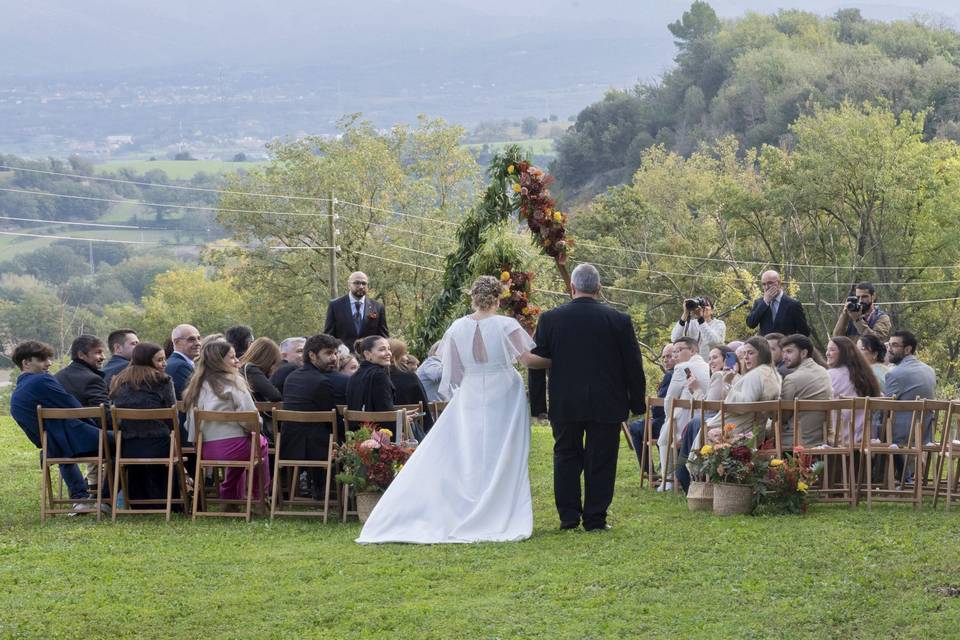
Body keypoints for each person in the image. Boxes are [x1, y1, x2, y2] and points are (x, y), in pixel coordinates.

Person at [357, 275, 550, 544]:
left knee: (471, 450)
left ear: (473, 296)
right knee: (504, 450)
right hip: (505, 389)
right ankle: (497, 507)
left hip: (471, 390)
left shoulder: (457, 328)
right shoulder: (507, 324)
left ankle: (469, 502)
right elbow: (529, 360)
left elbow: (455, 374)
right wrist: (557, 360)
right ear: (498, 297)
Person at [532, 263, 646, 531]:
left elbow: (537, 362)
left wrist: (538, 405)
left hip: (565, 401)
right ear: (599, 289)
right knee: (602, 459)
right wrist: (637, 402)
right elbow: (633, 365)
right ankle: (595, 519)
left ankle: (569, 517)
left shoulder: (550, 319)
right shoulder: (619, 320)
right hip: (607, 400)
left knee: (565, 456)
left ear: (572, 287)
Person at [677, 336, 781, 492]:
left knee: (698, 424)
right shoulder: (772, 374)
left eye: (751, 353)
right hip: (753, 429)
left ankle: (692, 484)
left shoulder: (754, 376)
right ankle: (691, 481)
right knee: (699, 424)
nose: (746, 357)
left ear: (763, 354)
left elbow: (741, 406)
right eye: (744, 354)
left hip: (738, 430)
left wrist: (727, 383)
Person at [9, 341, 104, 503]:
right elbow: (74, 407)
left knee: (62, 446)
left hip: (51, 446)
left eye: (48, 359)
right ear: (26, 363)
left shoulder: (18, 391)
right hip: (73, 442)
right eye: (42, 360)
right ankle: (109, 497)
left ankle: (80, 497)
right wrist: (98, 429)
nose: (49, 363)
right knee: (122, 442)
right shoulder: (42, 380)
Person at [183, 340, 270, 501]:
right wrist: (256, 425)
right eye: (232, 357)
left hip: (205, 450)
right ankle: (259, 497)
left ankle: (231, 497)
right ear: (219, 361)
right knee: (260, 443)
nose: (237, 361)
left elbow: (189, 425)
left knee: (248, 447)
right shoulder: (235, 383)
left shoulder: (194, 387)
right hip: (235, 448)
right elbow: (250, 419)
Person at [108, 342, 180, 507]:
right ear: (147, 360)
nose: (165, 364)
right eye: (160, 360)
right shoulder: (162, 380)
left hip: (127, 446)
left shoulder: (118, 380)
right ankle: (172, 502)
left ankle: (138, 502)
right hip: (160, 446)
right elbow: (172, 415)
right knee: (172, 439)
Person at [281, 334, 342, 500]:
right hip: (316, 449)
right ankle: (328, 490)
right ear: (312, 355)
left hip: (289, 445)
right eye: (328, 353)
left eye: (336, 353)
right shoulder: (322, 382)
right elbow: (332, 420)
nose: (334, 358)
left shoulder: (291, 377)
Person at [657, 337, 709, 492]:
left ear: (693, 350)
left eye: (679, 350)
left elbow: (670, 399)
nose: (675, 355)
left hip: (686, 420)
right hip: (705, 417)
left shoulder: (682, 368)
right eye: (674, 351)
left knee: (663, 438)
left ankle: (668, 480)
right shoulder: (708, 366)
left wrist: (667, 418)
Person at [779, 334, 833, 449]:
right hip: (822, 440)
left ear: (803, 353)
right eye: (783, 352)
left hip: (794, 441)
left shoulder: (792, 379)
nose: (784, 357)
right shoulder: (824, 372)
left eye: (789, 352)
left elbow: (782, 416)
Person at [825, 336, 882, 446]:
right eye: (827, 349)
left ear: (843, 353)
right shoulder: (867, 376)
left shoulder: (831, 375)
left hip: (839, 439)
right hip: (867, 440)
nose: (827, 353)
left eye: (832, 350)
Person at [885, 331, 937, 445]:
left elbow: (884, 409)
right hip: (925, 435)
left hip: (900, 439)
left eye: (894, 345)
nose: (889, 349)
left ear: (908, 349)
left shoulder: (895, 373)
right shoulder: (930, 370)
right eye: (889, 345)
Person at [627, 344, 674, 468]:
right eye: (664, 357)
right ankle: (661, 465)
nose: (665, 360)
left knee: (634, 427)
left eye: (669, 356)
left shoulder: (671, 375)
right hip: (674, 421)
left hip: (665, 423)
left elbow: (660, 405)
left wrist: (652, 409)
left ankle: (648, 470)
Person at [324, 271, 389, 346]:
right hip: (344, 355)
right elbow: (329, 336)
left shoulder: (378, 307)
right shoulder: (335, 305)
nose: (361, 286)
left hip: (369, 355)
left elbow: (384, 336)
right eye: (357, 283)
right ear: (349, 285)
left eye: (364, 283)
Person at [239, 337, 283, 441]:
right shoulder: (251, 370)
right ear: (267, 358)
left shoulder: (242, 368)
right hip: (261, 428)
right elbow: (274, 395)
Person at [388, 339, 434, 435]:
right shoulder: (410, 377)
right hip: (408, 429)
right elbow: (424, 408)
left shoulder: (375, 376)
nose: (407, 358)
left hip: (377, 428)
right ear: (396, 356)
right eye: (404, 354)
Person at [746, 270, 811, 336]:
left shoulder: (793, 304)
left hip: (785, 345)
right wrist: (765, 302)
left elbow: (805, 332)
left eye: (770, 283)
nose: (766, 287)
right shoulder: (759, 303)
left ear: (779, 283)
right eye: (764, 284)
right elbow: (751, 324)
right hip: (765, 345)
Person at [56, 334, 110, 411]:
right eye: (98, 352)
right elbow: (104, 416)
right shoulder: (93, 380)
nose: (103, 357)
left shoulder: (56, 377)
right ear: (81, 355)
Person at [166, 324, 202, 400]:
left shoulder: (173, 362)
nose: (198, 343)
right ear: (176, 342)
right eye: (191, 339)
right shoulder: (180, 367)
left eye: (199, 338)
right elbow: (194, 397)